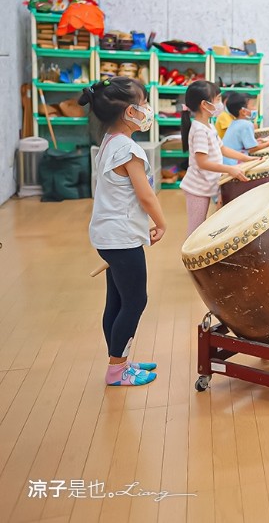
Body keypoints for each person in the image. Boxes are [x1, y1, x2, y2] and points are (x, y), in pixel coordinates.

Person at [80, 77, 166, 387]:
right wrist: (162, 222)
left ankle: (120, 360)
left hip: (107, 235)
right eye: (143, 104)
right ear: (130, 112)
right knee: (134, 301)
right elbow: (146, 196)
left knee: (116, 301)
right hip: (122, 239)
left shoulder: (108, 142)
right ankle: (117, 370)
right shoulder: (129, 150)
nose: (147, 109)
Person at [180, 81, 252, 236]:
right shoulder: (199, 130)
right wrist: (230, 169)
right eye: (218, 99)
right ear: (205, 105)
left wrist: (248, 159)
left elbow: (223, 149)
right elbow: (202, 162)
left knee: (203, 227)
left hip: (206, 185)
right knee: (196, 230)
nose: (220, 104)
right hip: (197, 189)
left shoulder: (209, 126)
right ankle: (191, 259)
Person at [221, 93, 269, 165]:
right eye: (252, 106)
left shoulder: (234, 122)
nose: (255, 108)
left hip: (225, 161)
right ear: (243, 111)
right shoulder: (246, 124)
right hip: (234, 163)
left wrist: (256, 141)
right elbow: (252, 148)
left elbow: (243, 143)